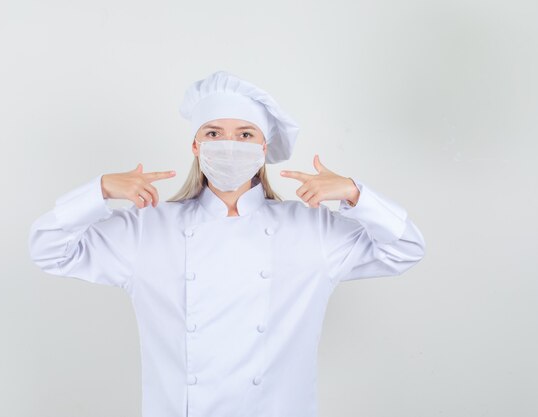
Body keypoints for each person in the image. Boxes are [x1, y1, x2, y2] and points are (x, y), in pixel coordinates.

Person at [28, 70, 426, 417]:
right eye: (214, 133)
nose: (229, 145)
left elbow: (406, 247)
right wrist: (98, 191)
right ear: (196, 146)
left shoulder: (312, 230)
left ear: (263, 149)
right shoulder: (148, 229)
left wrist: (356, 195)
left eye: (245, 134)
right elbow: (47, 249)